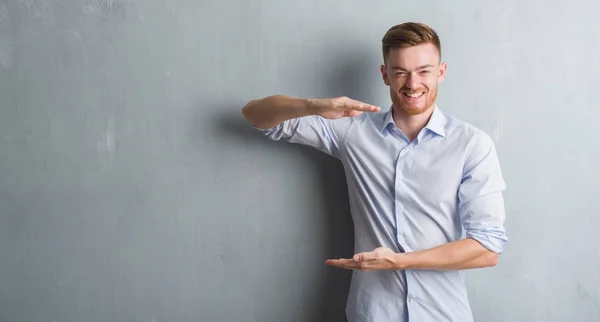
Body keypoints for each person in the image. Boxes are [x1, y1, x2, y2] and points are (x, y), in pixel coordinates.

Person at [241, 22, 507, 322]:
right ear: (385, 75)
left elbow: (487, 249)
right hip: (373, 315)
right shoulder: (353, 132)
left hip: (444, 314)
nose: (412, 83)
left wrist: (399, 262)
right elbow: (255, 115)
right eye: (400, 72)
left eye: (424, 71)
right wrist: (316, 105)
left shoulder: (471, 145)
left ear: (441, 72)